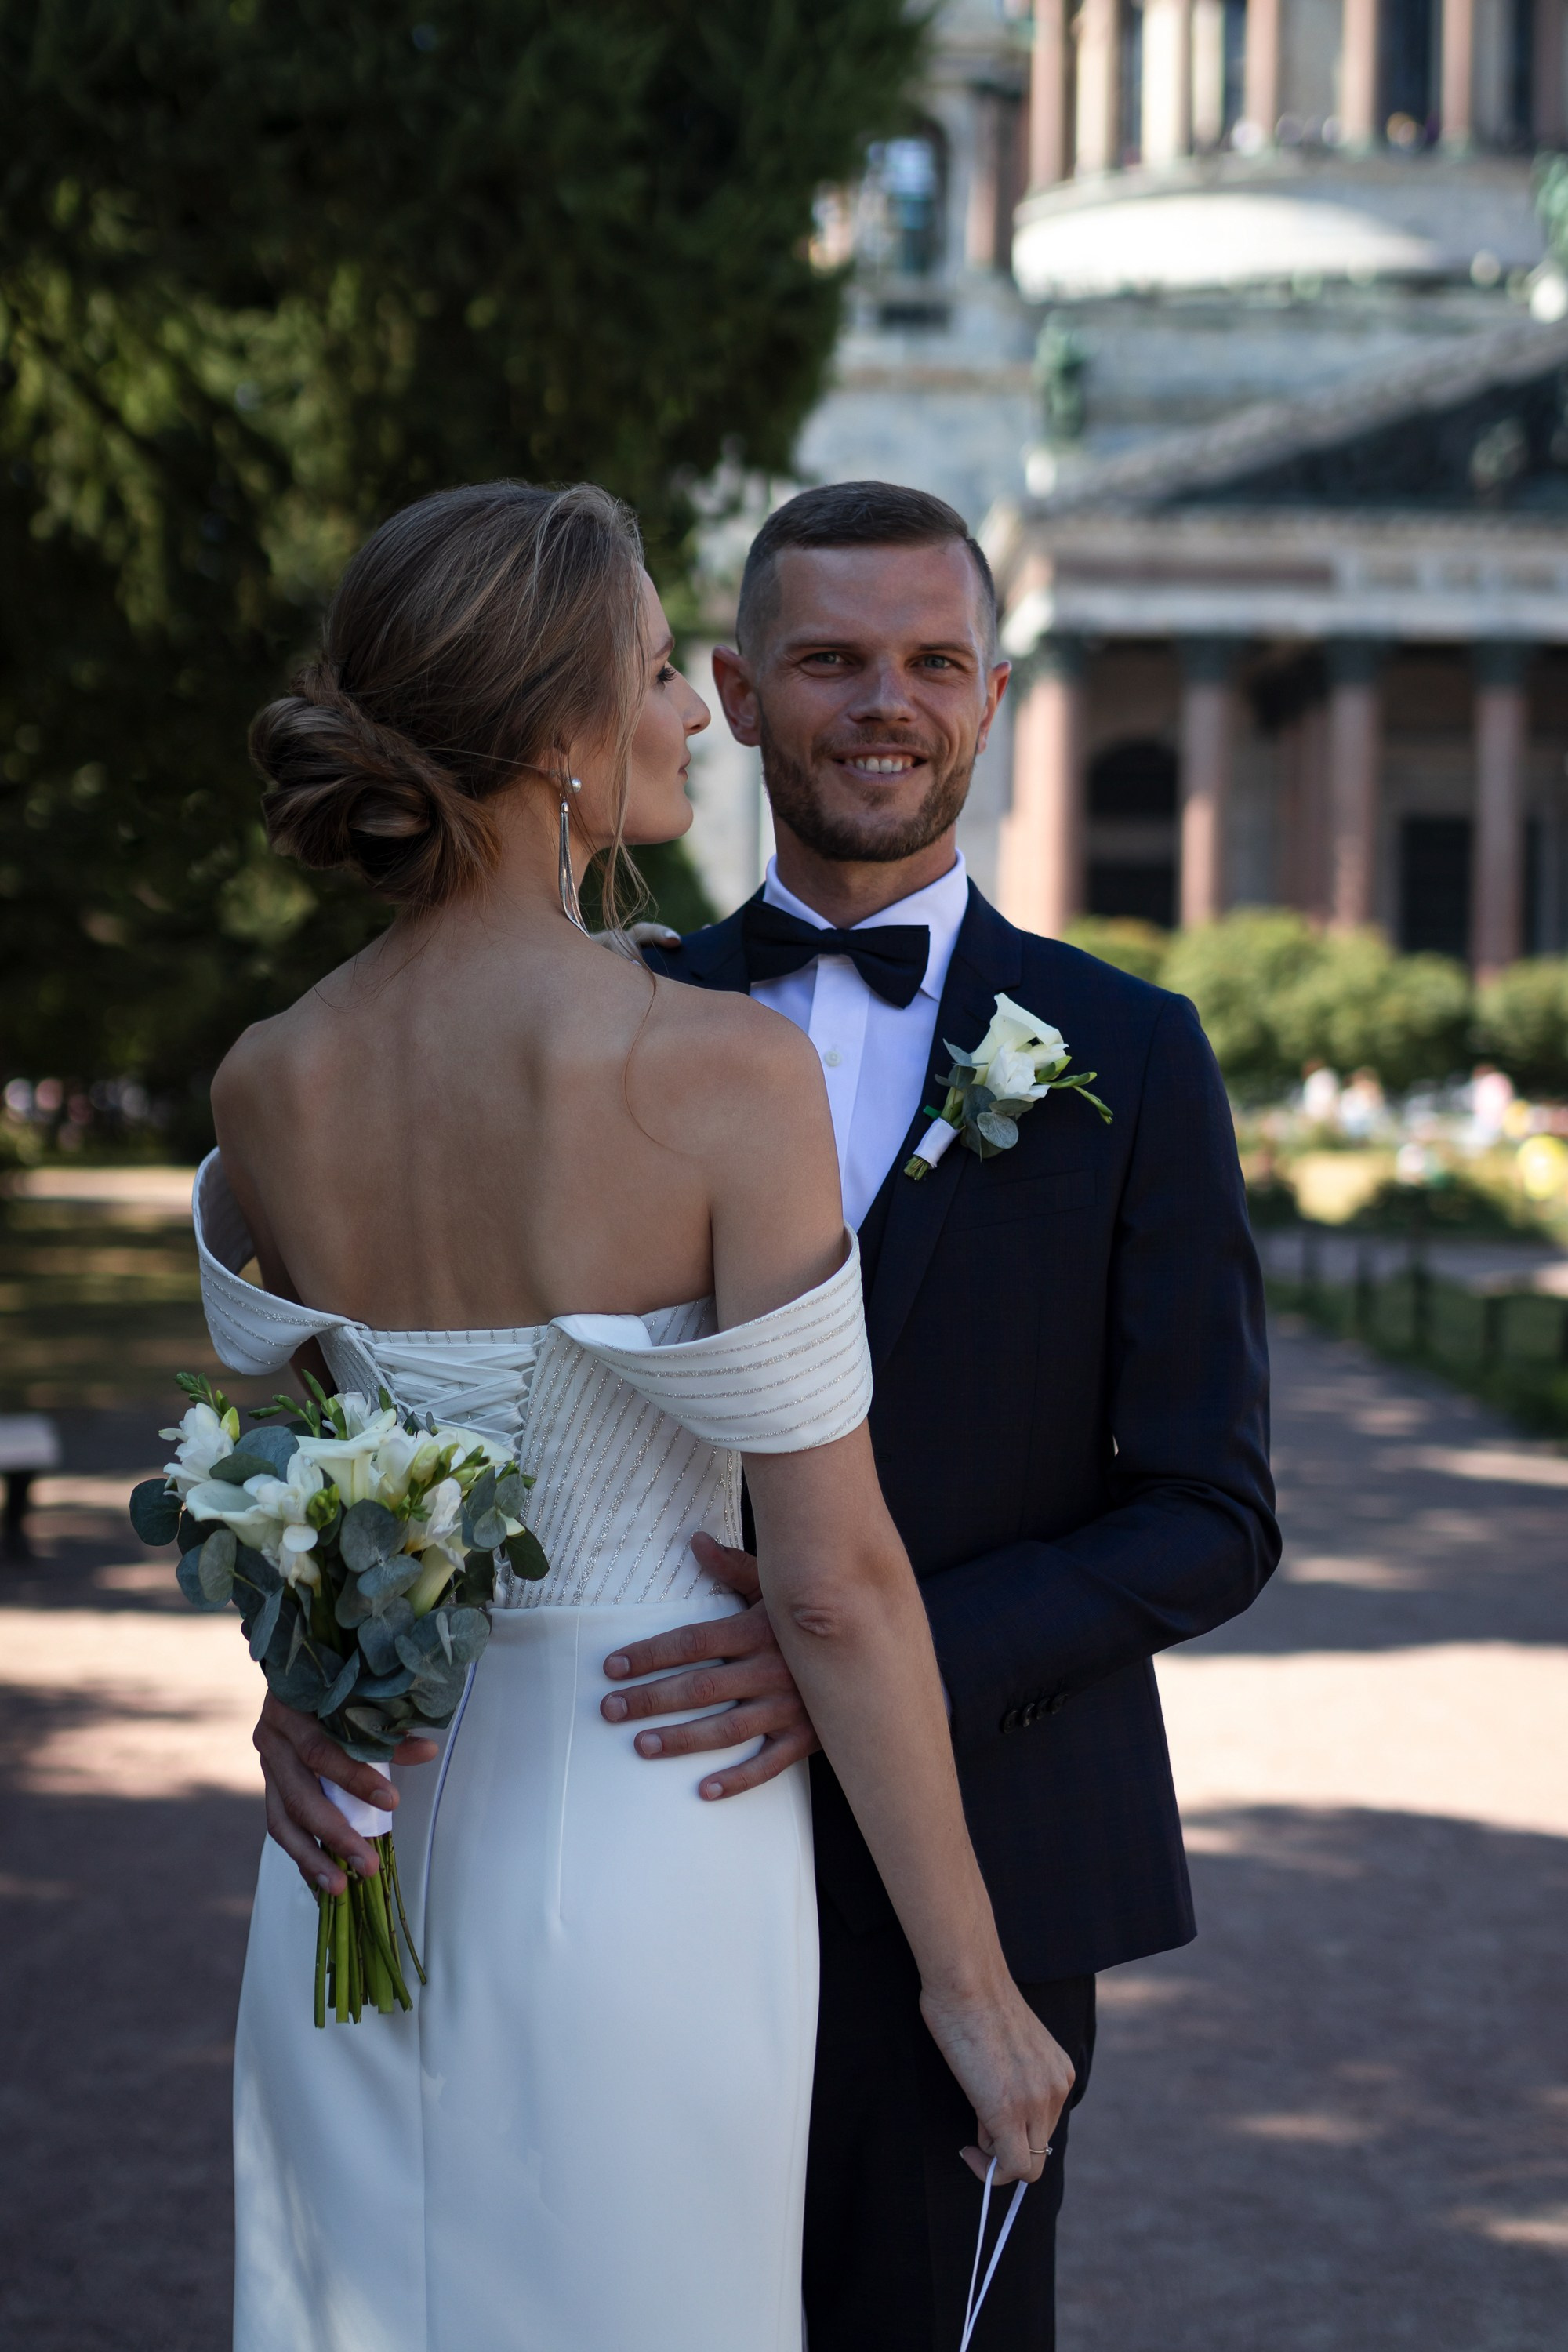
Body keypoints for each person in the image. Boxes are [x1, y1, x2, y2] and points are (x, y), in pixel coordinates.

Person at [207, 479, 1069, 2352]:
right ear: (556, 745)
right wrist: (972, 1988)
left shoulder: (273, 1079)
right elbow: (832, 1585)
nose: (696, 711)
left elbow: (297, 1491)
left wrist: (293, 1697)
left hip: (365, 1846)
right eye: (665, 671)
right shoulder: (716, 1074)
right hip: (646, 1835)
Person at [601, 481, 1280, 2346]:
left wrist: (867, 1666)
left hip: (996, 1838)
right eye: (827, 661)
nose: (880, 702)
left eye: (928, 662)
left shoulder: (1131, 1051)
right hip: (639, 1815)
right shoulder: (608, 1028)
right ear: (734, 694)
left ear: (990, 697)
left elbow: (1213, 1511)